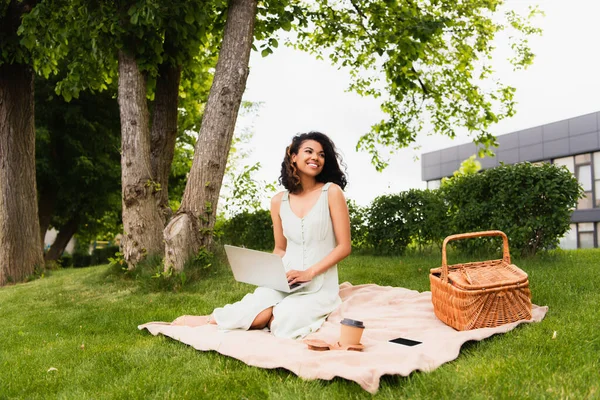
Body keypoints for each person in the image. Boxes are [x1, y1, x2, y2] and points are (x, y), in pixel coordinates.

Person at [172, 131, 351, 339]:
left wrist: (309, 273)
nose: (316, 158)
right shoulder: (278, 201)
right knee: (257, 312)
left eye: (321, 155)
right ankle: (208, 319)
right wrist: (266, 273)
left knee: (282, 322)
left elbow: (344, 247)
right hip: (286, 279)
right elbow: (280, 249)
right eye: (309, 151)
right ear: (293, 156)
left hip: (319, 283)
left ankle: (273, 313)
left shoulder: (331, 192)